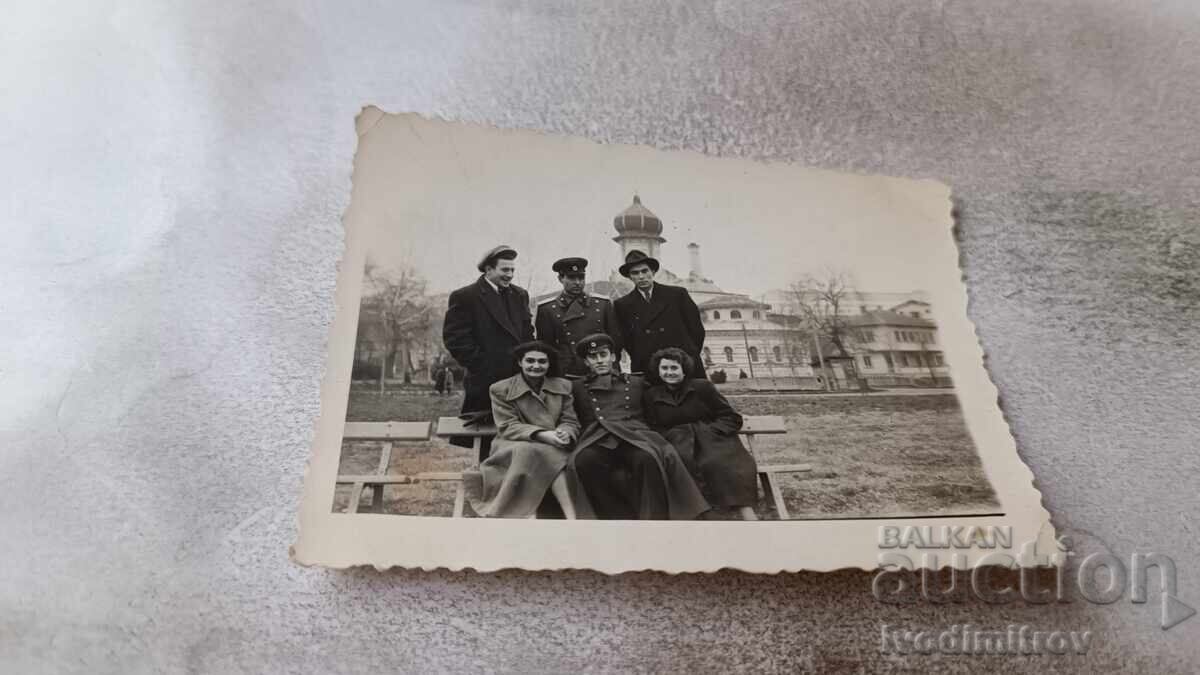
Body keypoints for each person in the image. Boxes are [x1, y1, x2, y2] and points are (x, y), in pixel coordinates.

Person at [569, 333, 709, 520]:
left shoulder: (636, 382)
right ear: (586, 362)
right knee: (584, 461)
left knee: (648, 459)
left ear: (613, 357)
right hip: (598, 438)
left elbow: (668, 391)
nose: (599, 360)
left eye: (603, 355)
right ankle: (616, 518)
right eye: (593, 357)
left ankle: (653, 519)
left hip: (634, 436)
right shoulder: (576, 386)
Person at [466, 341, 593, 519]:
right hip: (512, 444)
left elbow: (569, 420)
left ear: (549, 364)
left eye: (542, 361)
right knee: (530, 452)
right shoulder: (500, 389)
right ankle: (569, 516)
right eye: (530, 360)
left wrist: (565, 432)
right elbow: (508, 426)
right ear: (520, 362)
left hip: (553, 444)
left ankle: (571, 517)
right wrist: (542, 434)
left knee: (547, 454)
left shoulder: (563, 386)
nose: (536, 366)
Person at [643, 347, 760, 520]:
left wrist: (711, 431)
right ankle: (702, 514)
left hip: (712, 440)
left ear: (684, 370)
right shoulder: (651, 395)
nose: (669, 373)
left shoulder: (702, 387)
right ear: (658, 370)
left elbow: (730, 417)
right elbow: (653, 426)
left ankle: (745, 510)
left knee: (717, 462)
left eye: (674, 368)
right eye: (664, 368)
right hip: (678, 442)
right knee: (682, 463)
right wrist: (670, 437)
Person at [442, 245, 535, 460]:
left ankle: (514, 490)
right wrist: (483, 365)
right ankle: (485, 489)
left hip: (519, 381)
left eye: (512, 270)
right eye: (505, 270)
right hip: (485, 383)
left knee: (518, 442)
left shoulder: (520, 295)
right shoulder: (465, 296)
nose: (509, 275)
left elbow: (527, 333)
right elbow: (455, 339)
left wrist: (528, 366)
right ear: (488, 270)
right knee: (486, 447)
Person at [613, 250, 706, 378]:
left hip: (682, 364)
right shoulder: (622, 305)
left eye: (645, 271)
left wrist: (688, 356)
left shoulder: (677, 295)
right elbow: (627, 341)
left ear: (653, 272)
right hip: (648, 367)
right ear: (630, 277)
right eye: (635, 273)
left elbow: (697, 330)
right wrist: (640, 356)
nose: (641, 276)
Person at [535, 257, 622, 379]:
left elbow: (615, 341)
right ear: (560, 279)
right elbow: (546, 347)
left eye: (581, 278)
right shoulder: (547, 309)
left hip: (602, 370)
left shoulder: (602, 304)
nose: (577, 282)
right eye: (571, 278)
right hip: (568, 372)